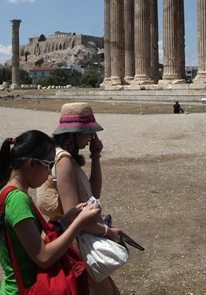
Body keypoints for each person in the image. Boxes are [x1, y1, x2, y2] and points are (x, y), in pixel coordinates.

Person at [0, 130, 100, 295]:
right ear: (31, 163)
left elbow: (30, 241)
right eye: (48, 165)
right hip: (25, 290)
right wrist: (78, 223)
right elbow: (43, 257)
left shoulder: (8, 191)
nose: (49, 172)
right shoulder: (18, 200)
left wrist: (64, 221)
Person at [37, 102, 122, 295]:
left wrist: (96, 157)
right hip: (74, 244)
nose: (91, 137)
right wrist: (108, 231)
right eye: (88, 132)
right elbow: (75, 217)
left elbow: (94, 194)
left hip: (75, 239)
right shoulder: (64, 160)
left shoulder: (67, 157)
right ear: (74, 133)